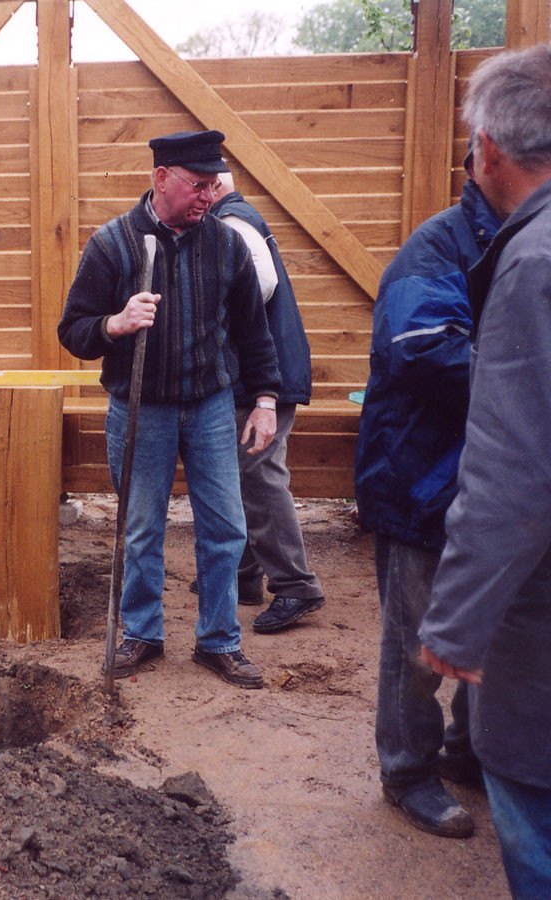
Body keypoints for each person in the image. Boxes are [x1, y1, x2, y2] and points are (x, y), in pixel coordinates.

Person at [58, 130, 281, 689]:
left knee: (226, 527)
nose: (209, 196)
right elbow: (73, 331)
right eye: (197, 185)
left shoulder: (227, 245)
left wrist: (265, 399)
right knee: (140, 529)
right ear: (162, 179)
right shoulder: (112, 245)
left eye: (213, 185)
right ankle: (142, 633)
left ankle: (219, 640)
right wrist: (114, 323)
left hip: (209, 406)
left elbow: (255, 332)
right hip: (140, 408)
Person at [418, 44, 551, 897]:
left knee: (532, 811)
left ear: (488, 149)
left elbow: (513, 469)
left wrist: (458, 623)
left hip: (539, 618)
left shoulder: (533, 265)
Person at [354, 145, 502, 838]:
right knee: (417, 642)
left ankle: (470, 754)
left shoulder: (525, 238)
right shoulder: (436, 248)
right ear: (483, 162)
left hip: (496, 478)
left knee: (499, 628)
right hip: (424, 477)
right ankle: (408, 771)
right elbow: (423, 348)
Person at [210, 173, 325, 633]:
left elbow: (258, 286)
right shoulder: (237, 216)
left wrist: (213, 318)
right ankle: (244, 576)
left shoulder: (233, 223)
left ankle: (296, 586)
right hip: (266, 372)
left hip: (264, 377)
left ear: (215, 187)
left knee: (258, 477)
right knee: (243, 475)